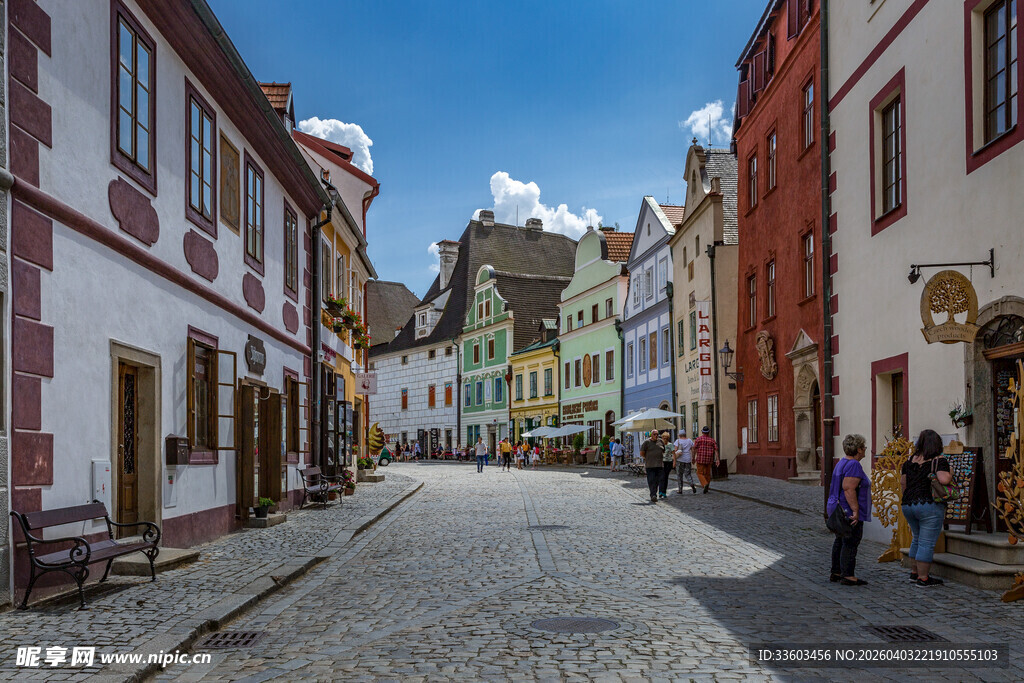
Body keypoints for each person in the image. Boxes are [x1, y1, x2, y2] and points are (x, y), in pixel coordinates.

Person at [901, 429, 952, 587]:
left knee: (916, 538)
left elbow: (903, 483)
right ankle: (923, 578)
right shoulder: (939, 460)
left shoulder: (909, 461)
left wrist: (909, 497)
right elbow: (944, 480)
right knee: (926, 543)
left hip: (908, 505)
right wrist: (951, 473)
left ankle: (914, 572)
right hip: (929, 504)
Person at [826, 434, 872, 586]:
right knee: (851, 540)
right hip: (846, 508)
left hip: (836, 506)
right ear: (858, 449)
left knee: (840, 538)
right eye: (864, 447)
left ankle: (837, 571)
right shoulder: (854, 465)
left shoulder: (842, 462)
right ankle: (848, 575)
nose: (865, 449)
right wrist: (855, 510)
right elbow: (849, 488)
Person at [693, 426, 720, 494]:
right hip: (709, 459)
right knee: (707, 474)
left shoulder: (698, 439)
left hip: (700, 459)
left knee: (699, 473)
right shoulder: (712, 440)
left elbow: (695, 449)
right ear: (708, 432)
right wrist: (717, 460)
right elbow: (716, 450)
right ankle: (707, 487)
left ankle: (705, 484)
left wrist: (693, 458)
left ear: (702, 432)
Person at [641, 431, 665, 503]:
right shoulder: (646, 442)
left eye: (657, 434)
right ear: (651, 435)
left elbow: (663, 450)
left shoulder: (661, 441)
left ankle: (654, 493)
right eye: (654, 434)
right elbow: (642, 453)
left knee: (657, 480)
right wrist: (647, 458)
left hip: (659, 465)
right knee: (651, 480)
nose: (656, 435)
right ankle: (653, 495)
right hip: (650, 465)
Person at [674, 430, 696, 494]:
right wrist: (693, 457)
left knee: (679, 475)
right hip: (688, 459)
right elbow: (693, 449)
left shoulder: (677, 441)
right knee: (688, 474)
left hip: (680, 460)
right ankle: (691, 483)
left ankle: (680, 489)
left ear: (679, 435)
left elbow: (675, 450)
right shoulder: (689, 440)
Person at [658, 433, 674, 499]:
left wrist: (674, 462)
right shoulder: (660, 445)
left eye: (666, 438)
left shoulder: (670, 445)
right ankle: (660, 491)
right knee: (661, 477)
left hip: (668, 462)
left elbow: (673, 454)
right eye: (664, 438)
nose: (665, 439)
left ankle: (663, 492)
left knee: (665, 477)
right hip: (661, 462)